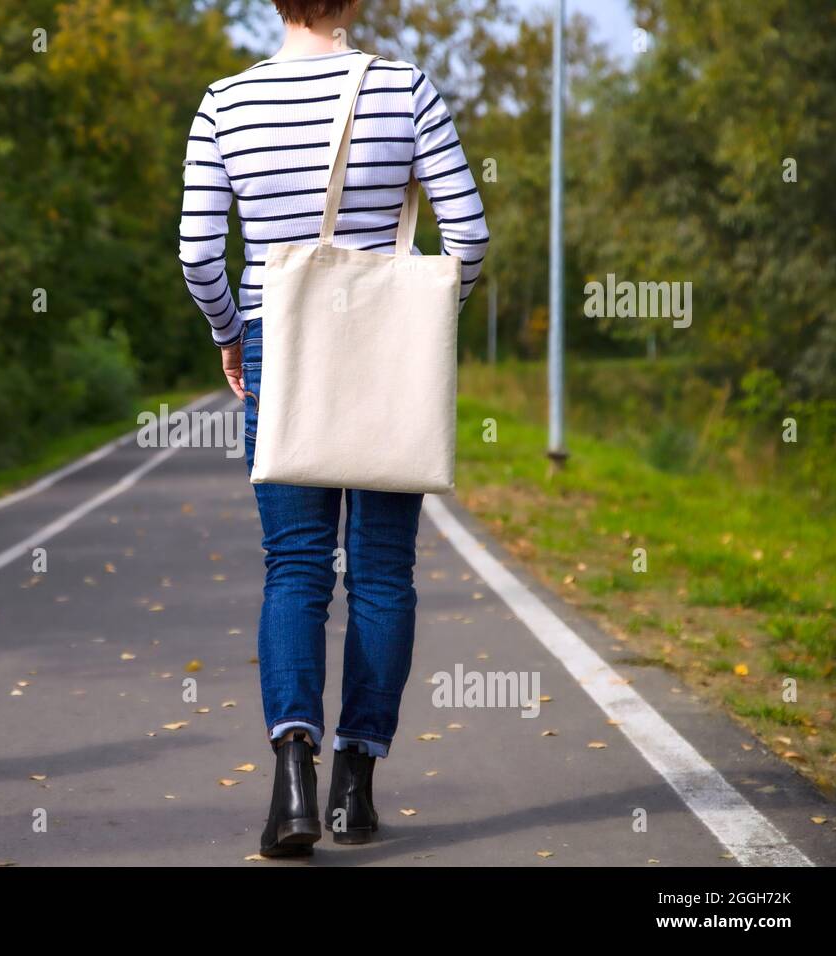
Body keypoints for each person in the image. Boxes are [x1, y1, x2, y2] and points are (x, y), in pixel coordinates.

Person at [178, 0, 489, 856]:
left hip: (281, 348)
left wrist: (230, 334)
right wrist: (418, 330)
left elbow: (200, 250)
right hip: (387, 358)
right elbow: (468, 233)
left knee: (295, 569)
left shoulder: (224, 104)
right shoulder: (406, 88)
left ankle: (292, 781)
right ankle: (357, 783)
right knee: (384, 575)